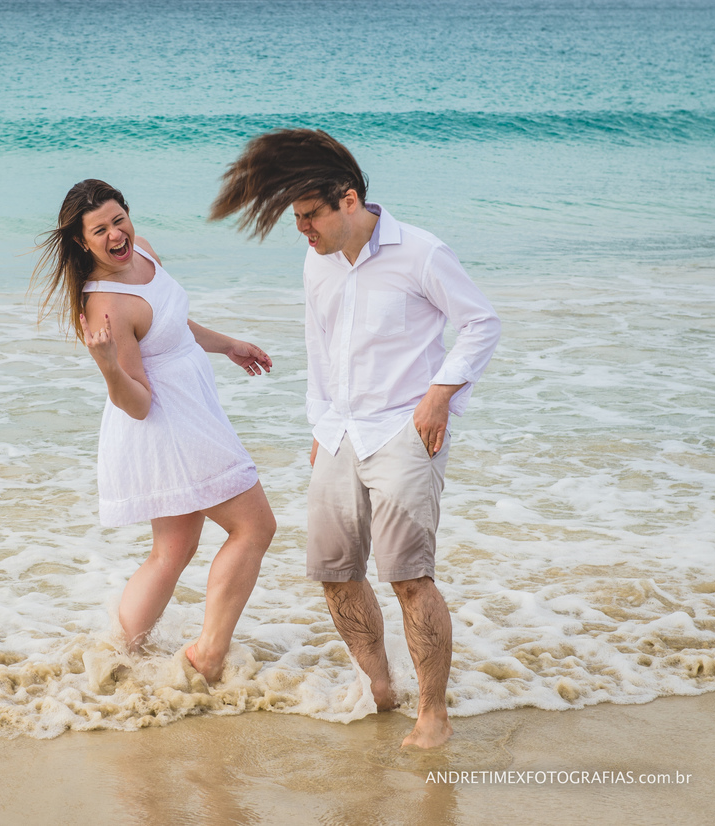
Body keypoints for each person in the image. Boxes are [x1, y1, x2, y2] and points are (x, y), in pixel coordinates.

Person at [210, 130, 501, 747]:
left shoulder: (421, 252)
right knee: (335, 572)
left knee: (409, 577)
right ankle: (379, 687)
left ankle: (433, 714)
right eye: (295, 218)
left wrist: (439, 394)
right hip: (338, 433)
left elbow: (480, 323)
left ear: (349, 201)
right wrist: (321, 423)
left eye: (309, 215)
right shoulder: (317, 261)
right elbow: (319, 346)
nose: (302, 229)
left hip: (404, 428)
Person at [32, 179, 277, 683]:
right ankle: (207, 654)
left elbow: (173, 323)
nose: (115, 234)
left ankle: (119, 657)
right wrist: (107, 367)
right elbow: (136, 405)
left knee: (174, 549)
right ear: (82, 242)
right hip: (170, 426)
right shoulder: (106, 305)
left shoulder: (142, 251)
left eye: (119, 220)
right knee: (255, 527)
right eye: (99, 230)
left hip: (190, 411)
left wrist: (228, 344)